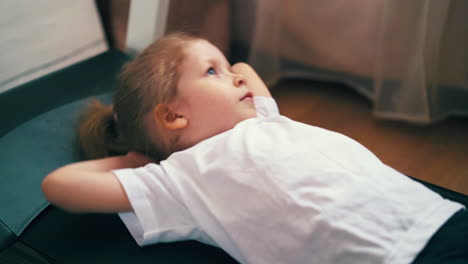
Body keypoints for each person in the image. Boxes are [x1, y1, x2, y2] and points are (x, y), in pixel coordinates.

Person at [42, 32, 467, 264]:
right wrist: (136, 160)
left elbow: (245, 70)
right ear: (173, 116)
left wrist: (220, 69)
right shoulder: (181, 179)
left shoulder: (264, 119)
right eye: (213, 71)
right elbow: (59, 185)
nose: (239, 77)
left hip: (435, 215)